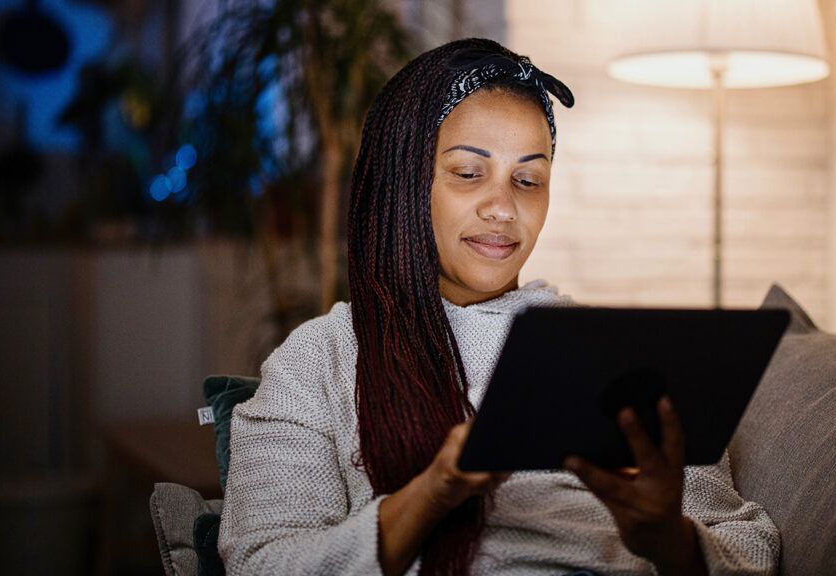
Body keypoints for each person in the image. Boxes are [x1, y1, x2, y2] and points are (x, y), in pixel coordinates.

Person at [218, 38, 780, 576]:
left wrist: (670, 540)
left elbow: (746, 546)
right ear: (404, 181)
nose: (504, 207)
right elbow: (262, 562)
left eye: (528, 179)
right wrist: (433, 491)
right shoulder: (322, 360)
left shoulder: (614, 350)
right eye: (468, 173)